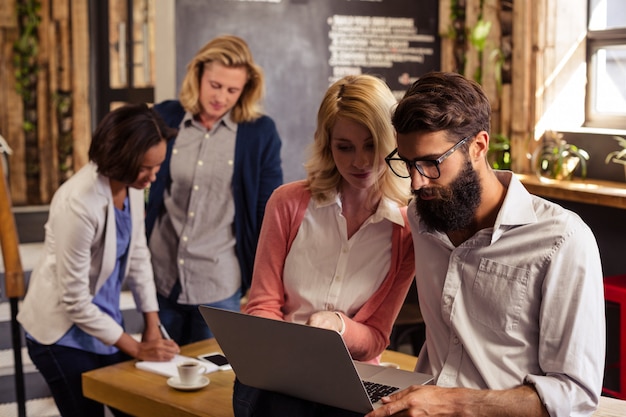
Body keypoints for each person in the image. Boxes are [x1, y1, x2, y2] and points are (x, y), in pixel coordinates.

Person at [370, 71, 606, 417]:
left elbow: (574, 393)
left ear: (478, 146)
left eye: (431, 163)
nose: (417, 183)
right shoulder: (423, 217)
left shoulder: (562, 240)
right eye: (407, 164)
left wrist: (450, 403)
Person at [233, 74, 416, 417]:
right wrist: (289, 355)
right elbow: (262, 306)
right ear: (326, 144)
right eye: (344, 147)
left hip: (352, 379)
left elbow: (376, 338)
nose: (359, 161)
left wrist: (338, 326)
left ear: (391, 140)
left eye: (371, 144)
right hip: (279, 375)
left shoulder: (406, 229)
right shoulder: (287, 203)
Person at [17, 103, 181, 417]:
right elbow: (75, 300)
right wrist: (137, 348)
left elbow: (137, 254)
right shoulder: (78, 203)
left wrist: (151, 325)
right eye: (146, 168)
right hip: (60, 333)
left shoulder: (131, 184)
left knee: (133, 406)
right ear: (121, 158)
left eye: (157, 166)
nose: (153, 176)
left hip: (103, 322)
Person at [145, 34, 283, 345]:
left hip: (219, 286)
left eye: (232, 90)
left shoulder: (260, 133)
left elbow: (267, 215)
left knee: (214, 385)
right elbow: (144, 187)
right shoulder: (165, 117)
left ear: (245, 89)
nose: (221, 97)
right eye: (215, 85)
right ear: (198, 76)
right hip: (161, 277)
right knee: (158, 381)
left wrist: (261, 289)